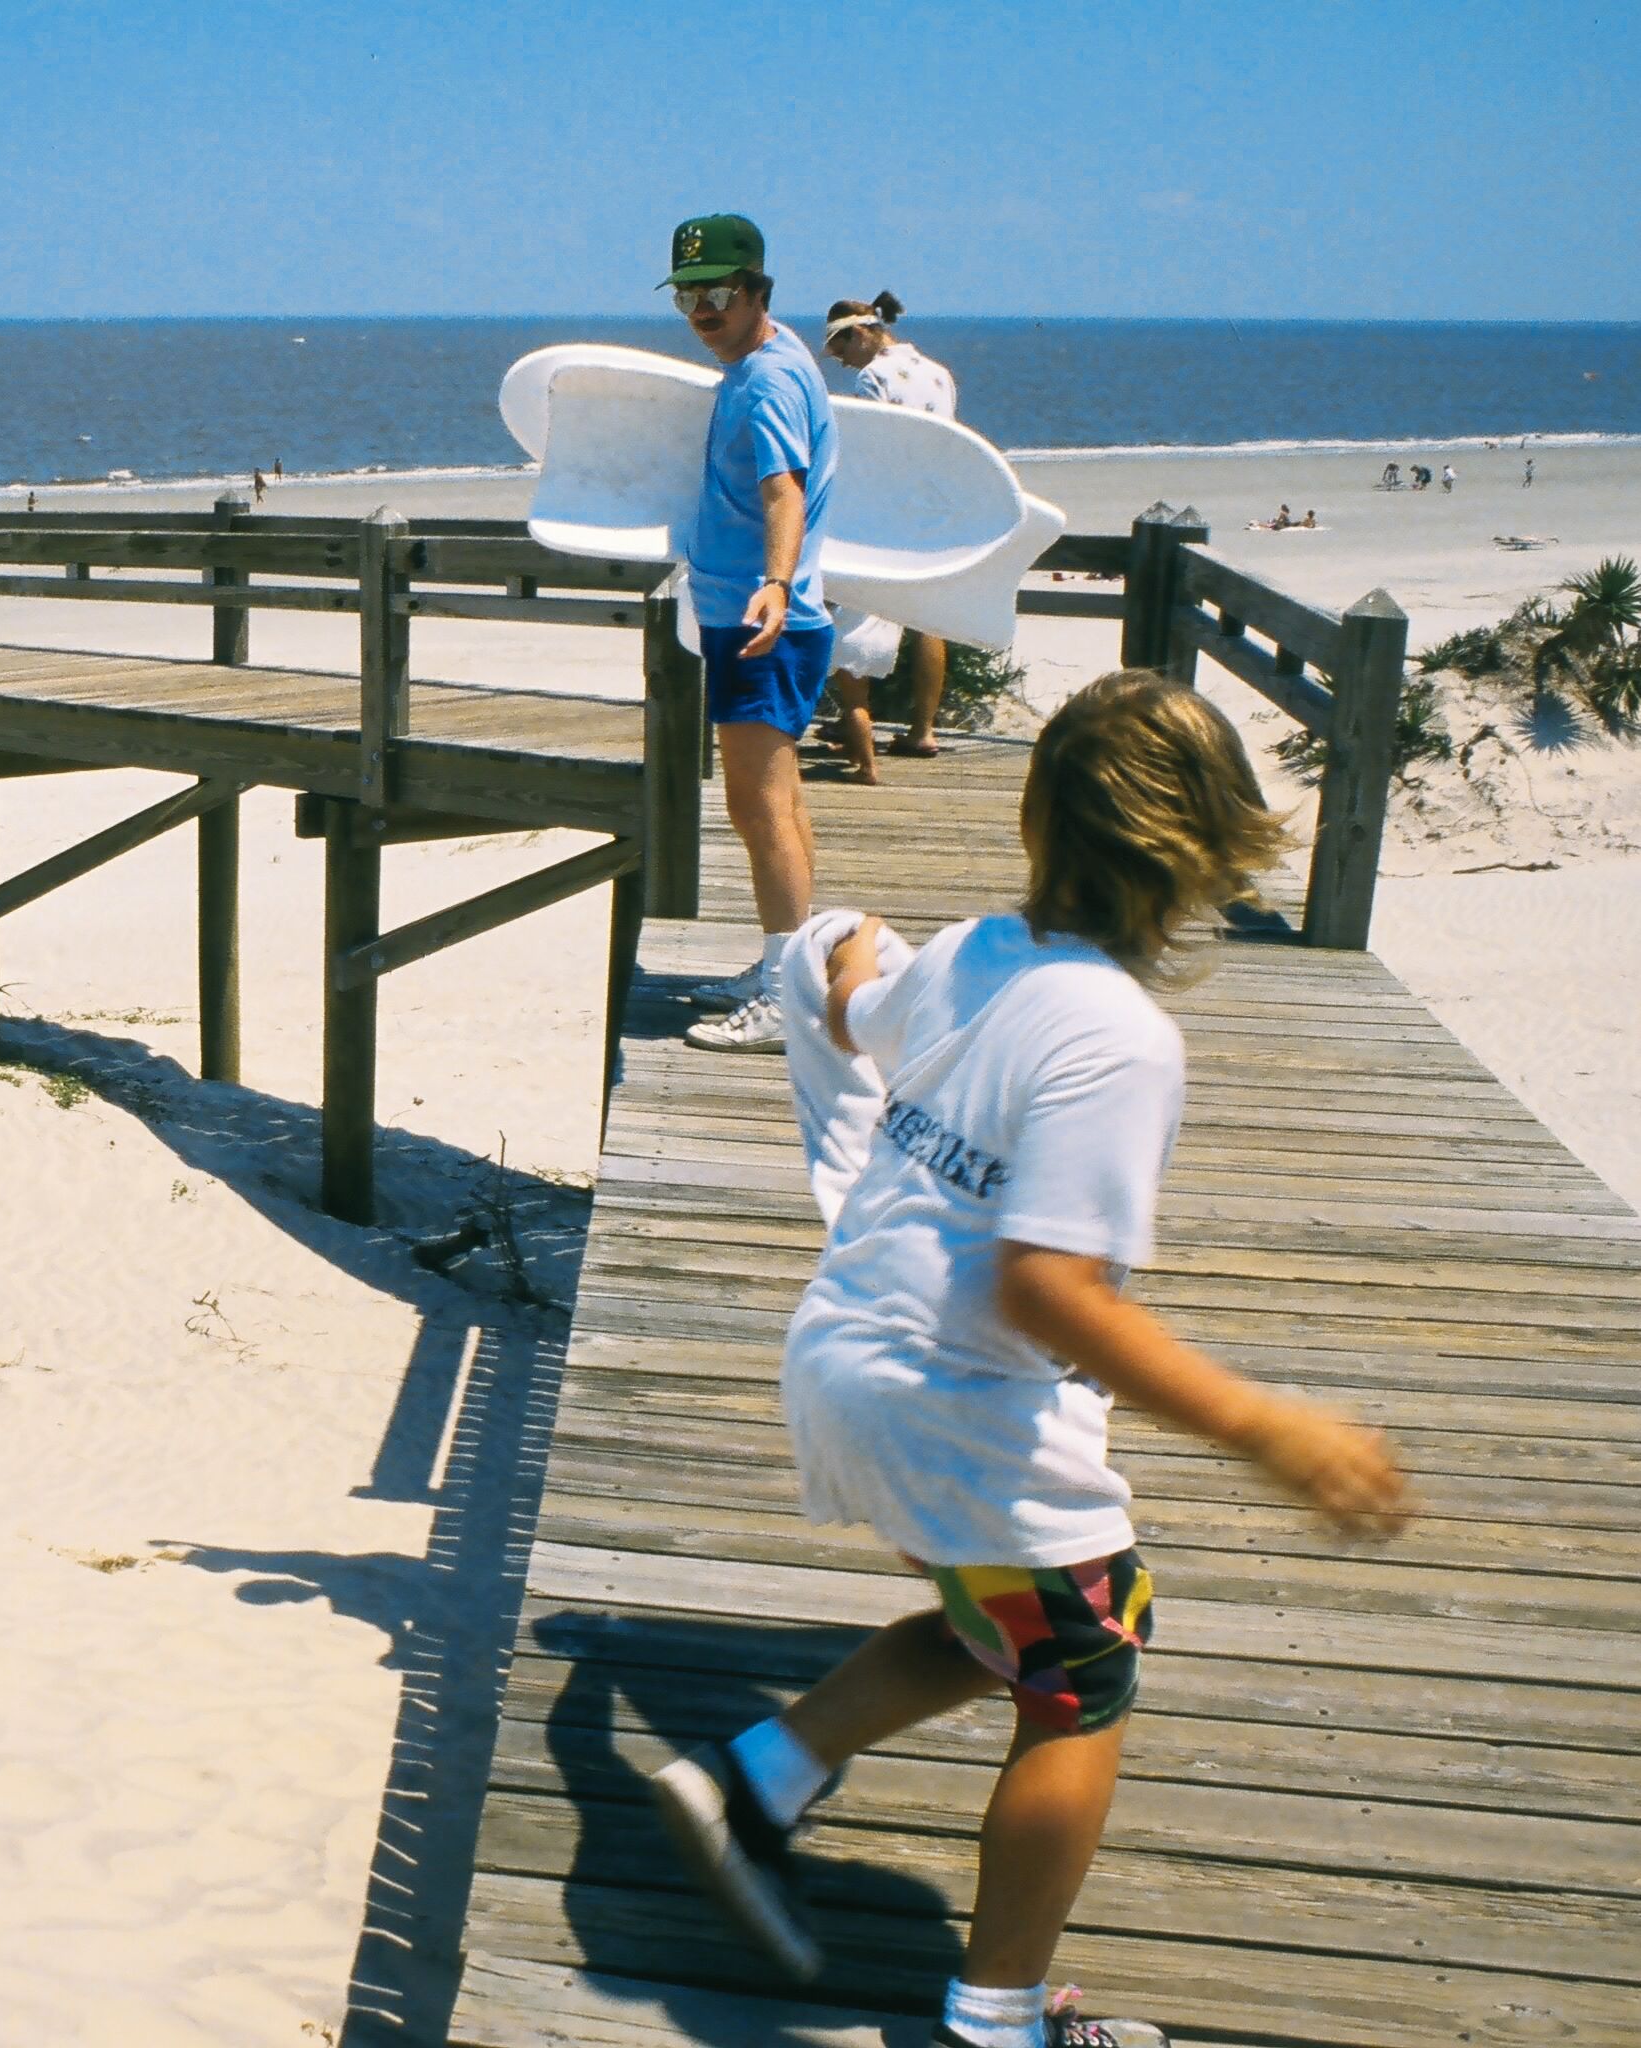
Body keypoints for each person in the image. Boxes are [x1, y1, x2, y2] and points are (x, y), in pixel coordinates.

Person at [647, 672, 1408, 2048]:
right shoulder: (1120, 1040)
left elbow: (850, 1012)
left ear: (1035, 819)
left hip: (842, 1351)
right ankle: (993, 2021)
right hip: (945, 1389)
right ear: (1196, 858)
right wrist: (1264, 1428)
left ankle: (758, 1773)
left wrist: (849, 955)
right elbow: (1048, 1290)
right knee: (1085, 1656)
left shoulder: (974, 950)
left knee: (999, 1617)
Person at [666, 214, 839, 1056]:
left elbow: (784, 492)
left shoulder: (766, 382)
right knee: (780, 801)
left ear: (758, 292)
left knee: (756, 804)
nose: (704, 310)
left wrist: (771, 584)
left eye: (721, 294)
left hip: (757, 618)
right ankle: (789, 967)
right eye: (690, 295)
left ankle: (782, 994)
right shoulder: (771, 357)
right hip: (763, 613)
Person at [819, 292, 960, 779]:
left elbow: (867, 447)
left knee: (854, 605)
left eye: (839, 348)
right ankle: (923, 729)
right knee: (927, 618)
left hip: (886, 508)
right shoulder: (940, 373)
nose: (839, 361)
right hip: (933, 507)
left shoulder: (872, 377)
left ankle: (855, 721)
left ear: (861, 334)